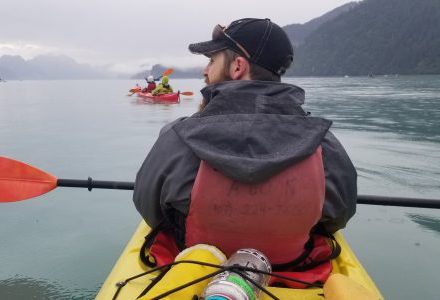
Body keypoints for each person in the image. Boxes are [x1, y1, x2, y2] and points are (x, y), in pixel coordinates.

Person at [133, 18, 357, 282]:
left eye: (212, 61)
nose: (205, 71)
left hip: (194, 269)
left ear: (238, 66)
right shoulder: (324, 144)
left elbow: (149, 208)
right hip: (294, 272)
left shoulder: (177, 137)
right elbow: (338, 216)